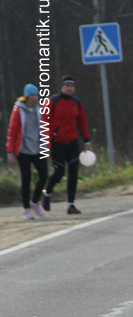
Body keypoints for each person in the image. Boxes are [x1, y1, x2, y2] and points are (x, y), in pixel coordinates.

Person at [41, 75, 91, 214]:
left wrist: (87, 141)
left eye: (72, 86)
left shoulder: (77, 103)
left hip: (72, 142)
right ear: (62, 87)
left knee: (73, 172)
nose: (70, 89)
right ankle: (47, 193)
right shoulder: (52, 102)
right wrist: (46, 144)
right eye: (67, 86)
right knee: (60, 171)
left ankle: (71, 204)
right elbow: (44, 123)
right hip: (56, 142)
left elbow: (82, 123)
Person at [7, 84, 49, 220]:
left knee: (44, 175)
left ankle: (35, 202)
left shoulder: (39, 110)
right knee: (26, 179)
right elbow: (12, 131)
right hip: (23, 150)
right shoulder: (18, 110)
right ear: (27, 97)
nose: (35, 98)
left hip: (38, 148)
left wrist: (47, 146)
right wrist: (10, 152)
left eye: (36, 95)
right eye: (32, 95)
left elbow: (45, 129)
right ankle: (26, 209)